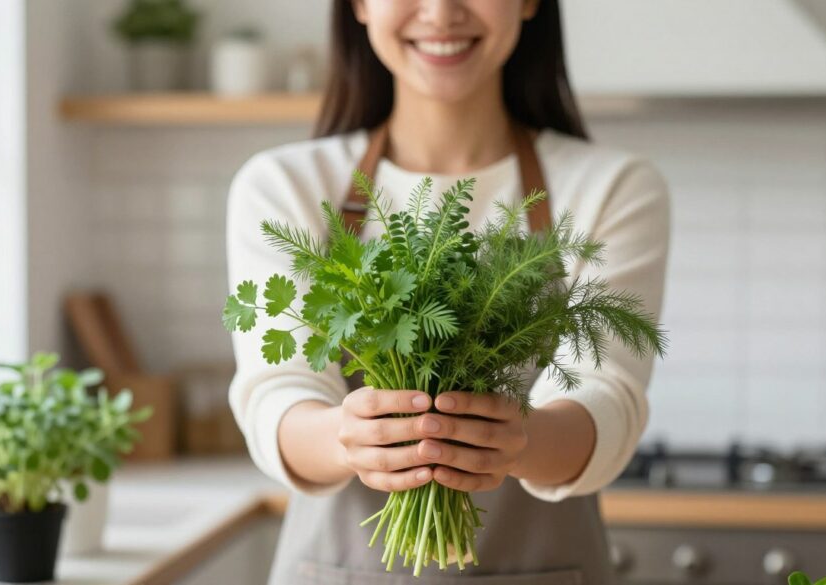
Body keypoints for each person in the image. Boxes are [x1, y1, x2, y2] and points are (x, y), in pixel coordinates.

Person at [226, 1, 670, 582]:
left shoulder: (613, 188)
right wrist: (348, 438)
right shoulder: (284, 186)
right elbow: (276, 392)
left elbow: (607, 393)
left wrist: (521, 440)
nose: (440, 12)